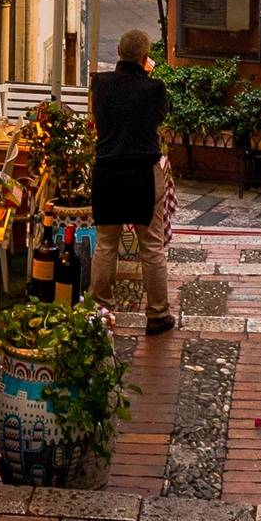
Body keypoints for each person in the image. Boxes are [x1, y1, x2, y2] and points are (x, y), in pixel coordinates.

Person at [89, 27, 174, 332]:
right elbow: (158, 118)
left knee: (106, 245)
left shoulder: (99, 84)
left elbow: (97, 119)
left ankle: (100, 310)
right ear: (144, 57)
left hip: (107, 171)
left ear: (118, 54)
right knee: (150, 246)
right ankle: (157, 314)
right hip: (142, 173)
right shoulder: (154, 89)